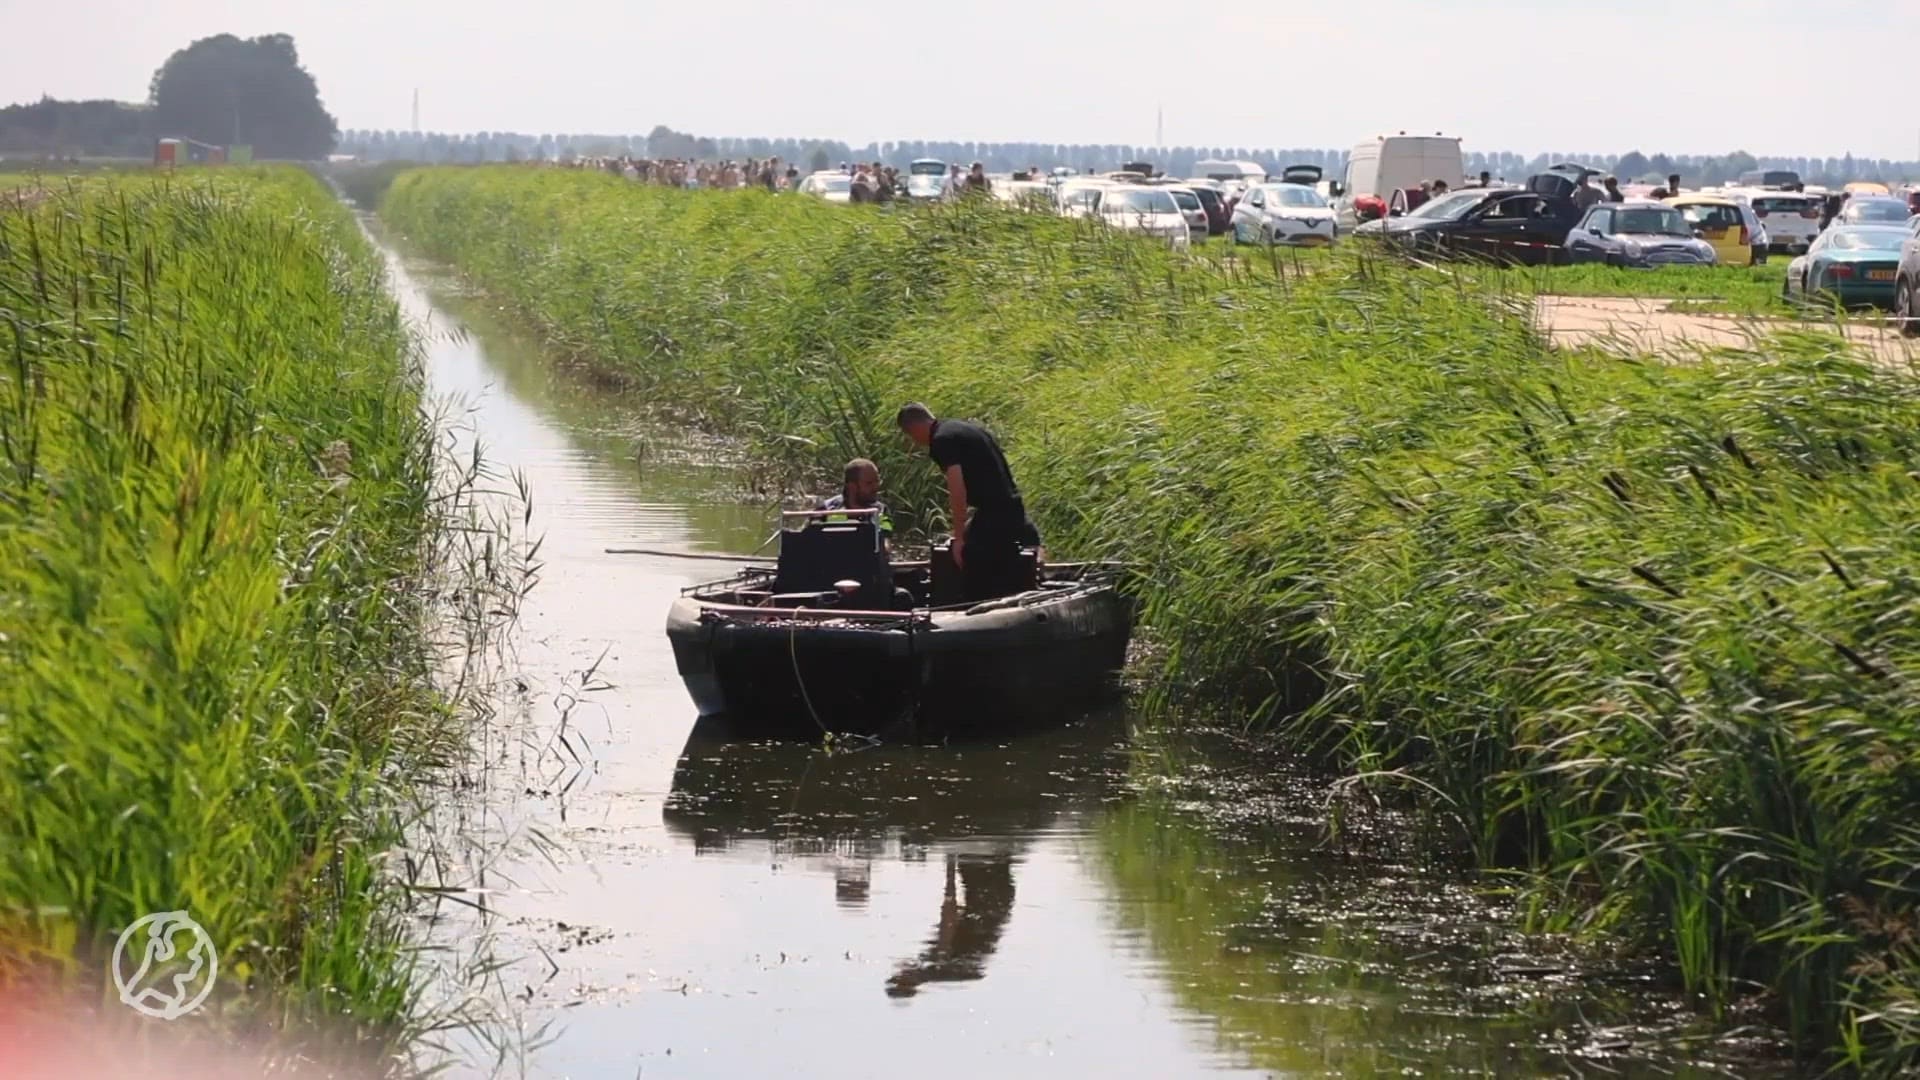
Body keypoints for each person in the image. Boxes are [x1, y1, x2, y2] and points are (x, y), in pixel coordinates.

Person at [897, 403, 1040, 602]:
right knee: (996, 557)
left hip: (997, 514)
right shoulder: (964, 429)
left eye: (911, 437)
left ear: (914, 428)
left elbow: (957, 489)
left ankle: (975, 609)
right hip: (1012, 508)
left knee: (971, 563)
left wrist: (959, 539)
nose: (916, 442)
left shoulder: (941, 440)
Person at [818, 458, 894, 548]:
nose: (876, 487)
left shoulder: (881, 511)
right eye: (869, 483)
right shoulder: (827, 509)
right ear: (852, 487)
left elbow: (885, 541)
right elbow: (810, 541)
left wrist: (884, 547)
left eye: (877, 481)